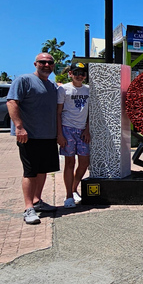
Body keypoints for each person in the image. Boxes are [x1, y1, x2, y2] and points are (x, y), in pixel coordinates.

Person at [7, 53, 60, 224]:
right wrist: (19, 127)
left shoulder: (52, 86)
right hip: (29, 136)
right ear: (35, 63)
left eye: (49, 62)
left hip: (48, 136)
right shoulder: (24, 80)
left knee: (43, 170)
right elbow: (12, 102)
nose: (46, 65)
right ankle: (28, 207)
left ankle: (37, 201)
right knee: (30, 172)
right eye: (42, 62)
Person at [57, 63, 91, 208]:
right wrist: (59, 134)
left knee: (84, 162)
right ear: (70, 73)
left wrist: (87, 129)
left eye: (82, 73)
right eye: (76, 72)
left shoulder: (89, 90)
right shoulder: (63, 89)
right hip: (67, 129)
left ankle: (74, 187)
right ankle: (68, 196)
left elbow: (91, 111)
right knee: (70, 163)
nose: (79, 76)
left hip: (82, 130)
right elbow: (58, 113)